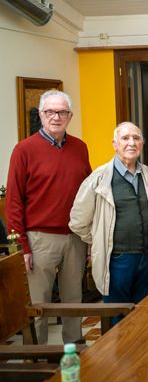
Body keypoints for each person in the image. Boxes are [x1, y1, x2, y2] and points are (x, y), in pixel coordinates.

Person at [6, 90, 91, 344]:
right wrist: (22, 246)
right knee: (38, 304)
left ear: (70, 116)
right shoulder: (24, 150)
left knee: (73, 300)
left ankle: (74, 349)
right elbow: (13, 201)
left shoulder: (80, 148)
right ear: (41, 115)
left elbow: (87, 195)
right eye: (50, 112)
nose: (56, 117)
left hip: (75, 237)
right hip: (39, 239)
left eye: (62, 112)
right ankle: (37, 355)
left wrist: (89, 238)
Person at [69, 122, 148, 325]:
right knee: (117, 319)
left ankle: (140, 347)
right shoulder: (99, 178)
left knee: (142, 315)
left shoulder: (146, 174)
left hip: (145, 257)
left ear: (142, 143)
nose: (131, 143)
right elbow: (77, 221)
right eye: (125, 138)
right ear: (114, 144)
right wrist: (99, 239)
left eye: (136, 138)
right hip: (117, 260)